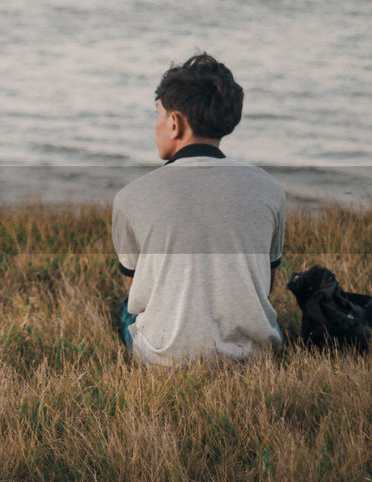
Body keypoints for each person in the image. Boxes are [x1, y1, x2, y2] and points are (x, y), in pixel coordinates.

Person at [112, 51, 285, 366]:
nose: (156, 126)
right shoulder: (268, 189)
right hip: (254, 357)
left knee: (126, 308)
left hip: (165, 360)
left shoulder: (131, 196)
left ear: (174, 123)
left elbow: (139, 293)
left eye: (158, 115)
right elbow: (267, 284)